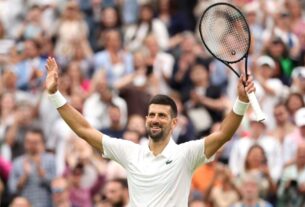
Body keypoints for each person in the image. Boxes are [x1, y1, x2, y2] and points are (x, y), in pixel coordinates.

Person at [45, 57, 255, 206]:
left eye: (162, 116)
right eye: (152, 115)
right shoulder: (130, 152)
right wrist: (55, 95)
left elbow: (223, 134)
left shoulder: (186, 154)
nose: (155, 119)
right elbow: (84, 129)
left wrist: (242, 101)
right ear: (146, 119)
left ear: (174, 123)